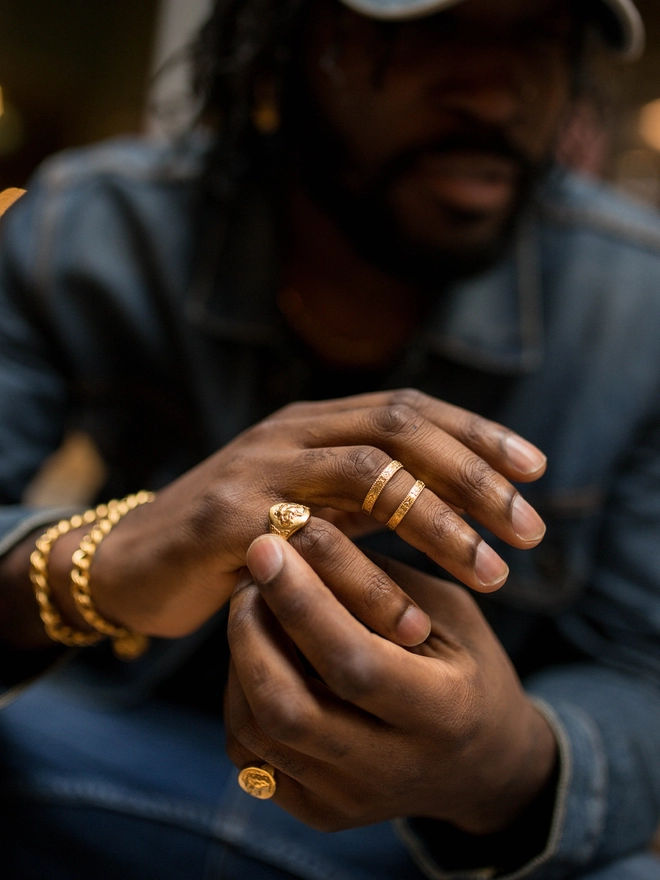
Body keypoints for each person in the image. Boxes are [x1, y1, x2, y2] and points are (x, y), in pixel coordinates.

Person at [0, 0, 659, 877]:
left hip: (432, 847)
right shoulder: (91, 224)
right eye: (432, 27)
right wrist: (99, 564)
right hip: (98, 751)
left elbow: (642, 673)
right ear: (282, 41)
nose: (496, 93)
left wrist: (507, 764)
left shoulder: (640, 305)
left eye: (541, 31)